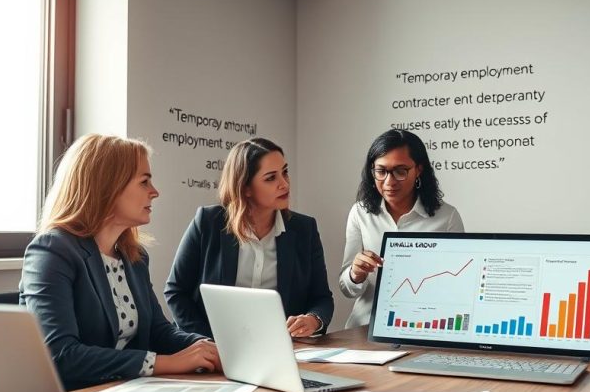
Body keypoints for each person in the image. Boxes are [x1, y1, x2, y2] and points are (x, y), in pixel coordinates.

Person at [20, 134, 220, 391]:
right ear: (108, 186)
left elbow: (159, 332)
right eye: (144, 181)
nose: (155, 192)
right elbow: (60, 355)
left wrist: (209, 349)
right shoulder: (52, 251)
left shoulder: (133, 256)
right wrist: (164, 363)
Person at [165, 137, 334, 339]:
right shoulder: (208, 222)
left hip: (278, 345)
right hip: (211, 345)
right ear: (245, 187)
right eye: (271, 178)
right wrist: (210, 341)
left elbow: (322, 297)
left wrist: (313, 319)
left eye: (285, 172)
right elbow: (176, 292)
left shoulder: (304, 229)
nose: (284, 183)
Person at [339, 129, 465, 328]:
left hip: (424, 327)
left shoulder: (447, 217)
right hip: (365, 327)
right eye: (381, 171)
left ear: (419, 170)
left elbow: (458, 285)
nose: (389, 182)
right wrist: (356, 274)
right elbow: (347, 290)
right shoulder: (360, 213)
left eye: (400, 171)